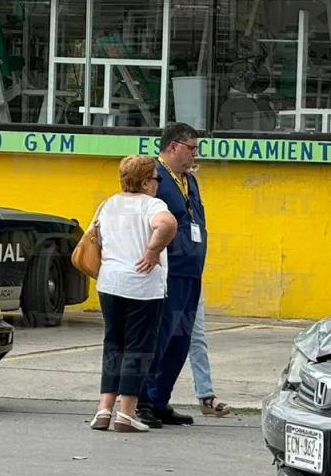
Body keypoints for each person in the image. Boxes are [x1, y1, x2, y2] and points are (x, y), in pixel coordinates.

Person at [90, 155, 177, 433]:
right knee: (138, 348)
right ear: (144, 181)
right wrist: (152, 251)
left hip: (109, 283)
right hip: (142, 286)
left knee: (113, 344)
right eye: (156, 178)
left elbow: (97, 237)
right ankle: (126, 413)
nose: (158, 183)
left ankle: (104, 409)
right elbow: (167, 224)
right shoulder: (152, 205)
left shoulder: (108, 204)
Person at [137, 122, 207, 429]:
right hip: (168, 271)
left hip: (191, 270)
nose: (195, 154)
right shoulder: (154, 177)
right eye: (191, 148)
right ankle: (141, 401)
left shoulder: (189, 180)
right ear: (174, 146)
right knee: (159, 337)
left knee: (180, 339)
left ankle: (160, 398)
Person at [187, 295, 230, 416]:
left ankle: (205, 395)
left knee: (196, 340)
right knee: (163, 340)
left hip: (191, 284)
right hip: (165, 286)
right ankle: (146, 399)